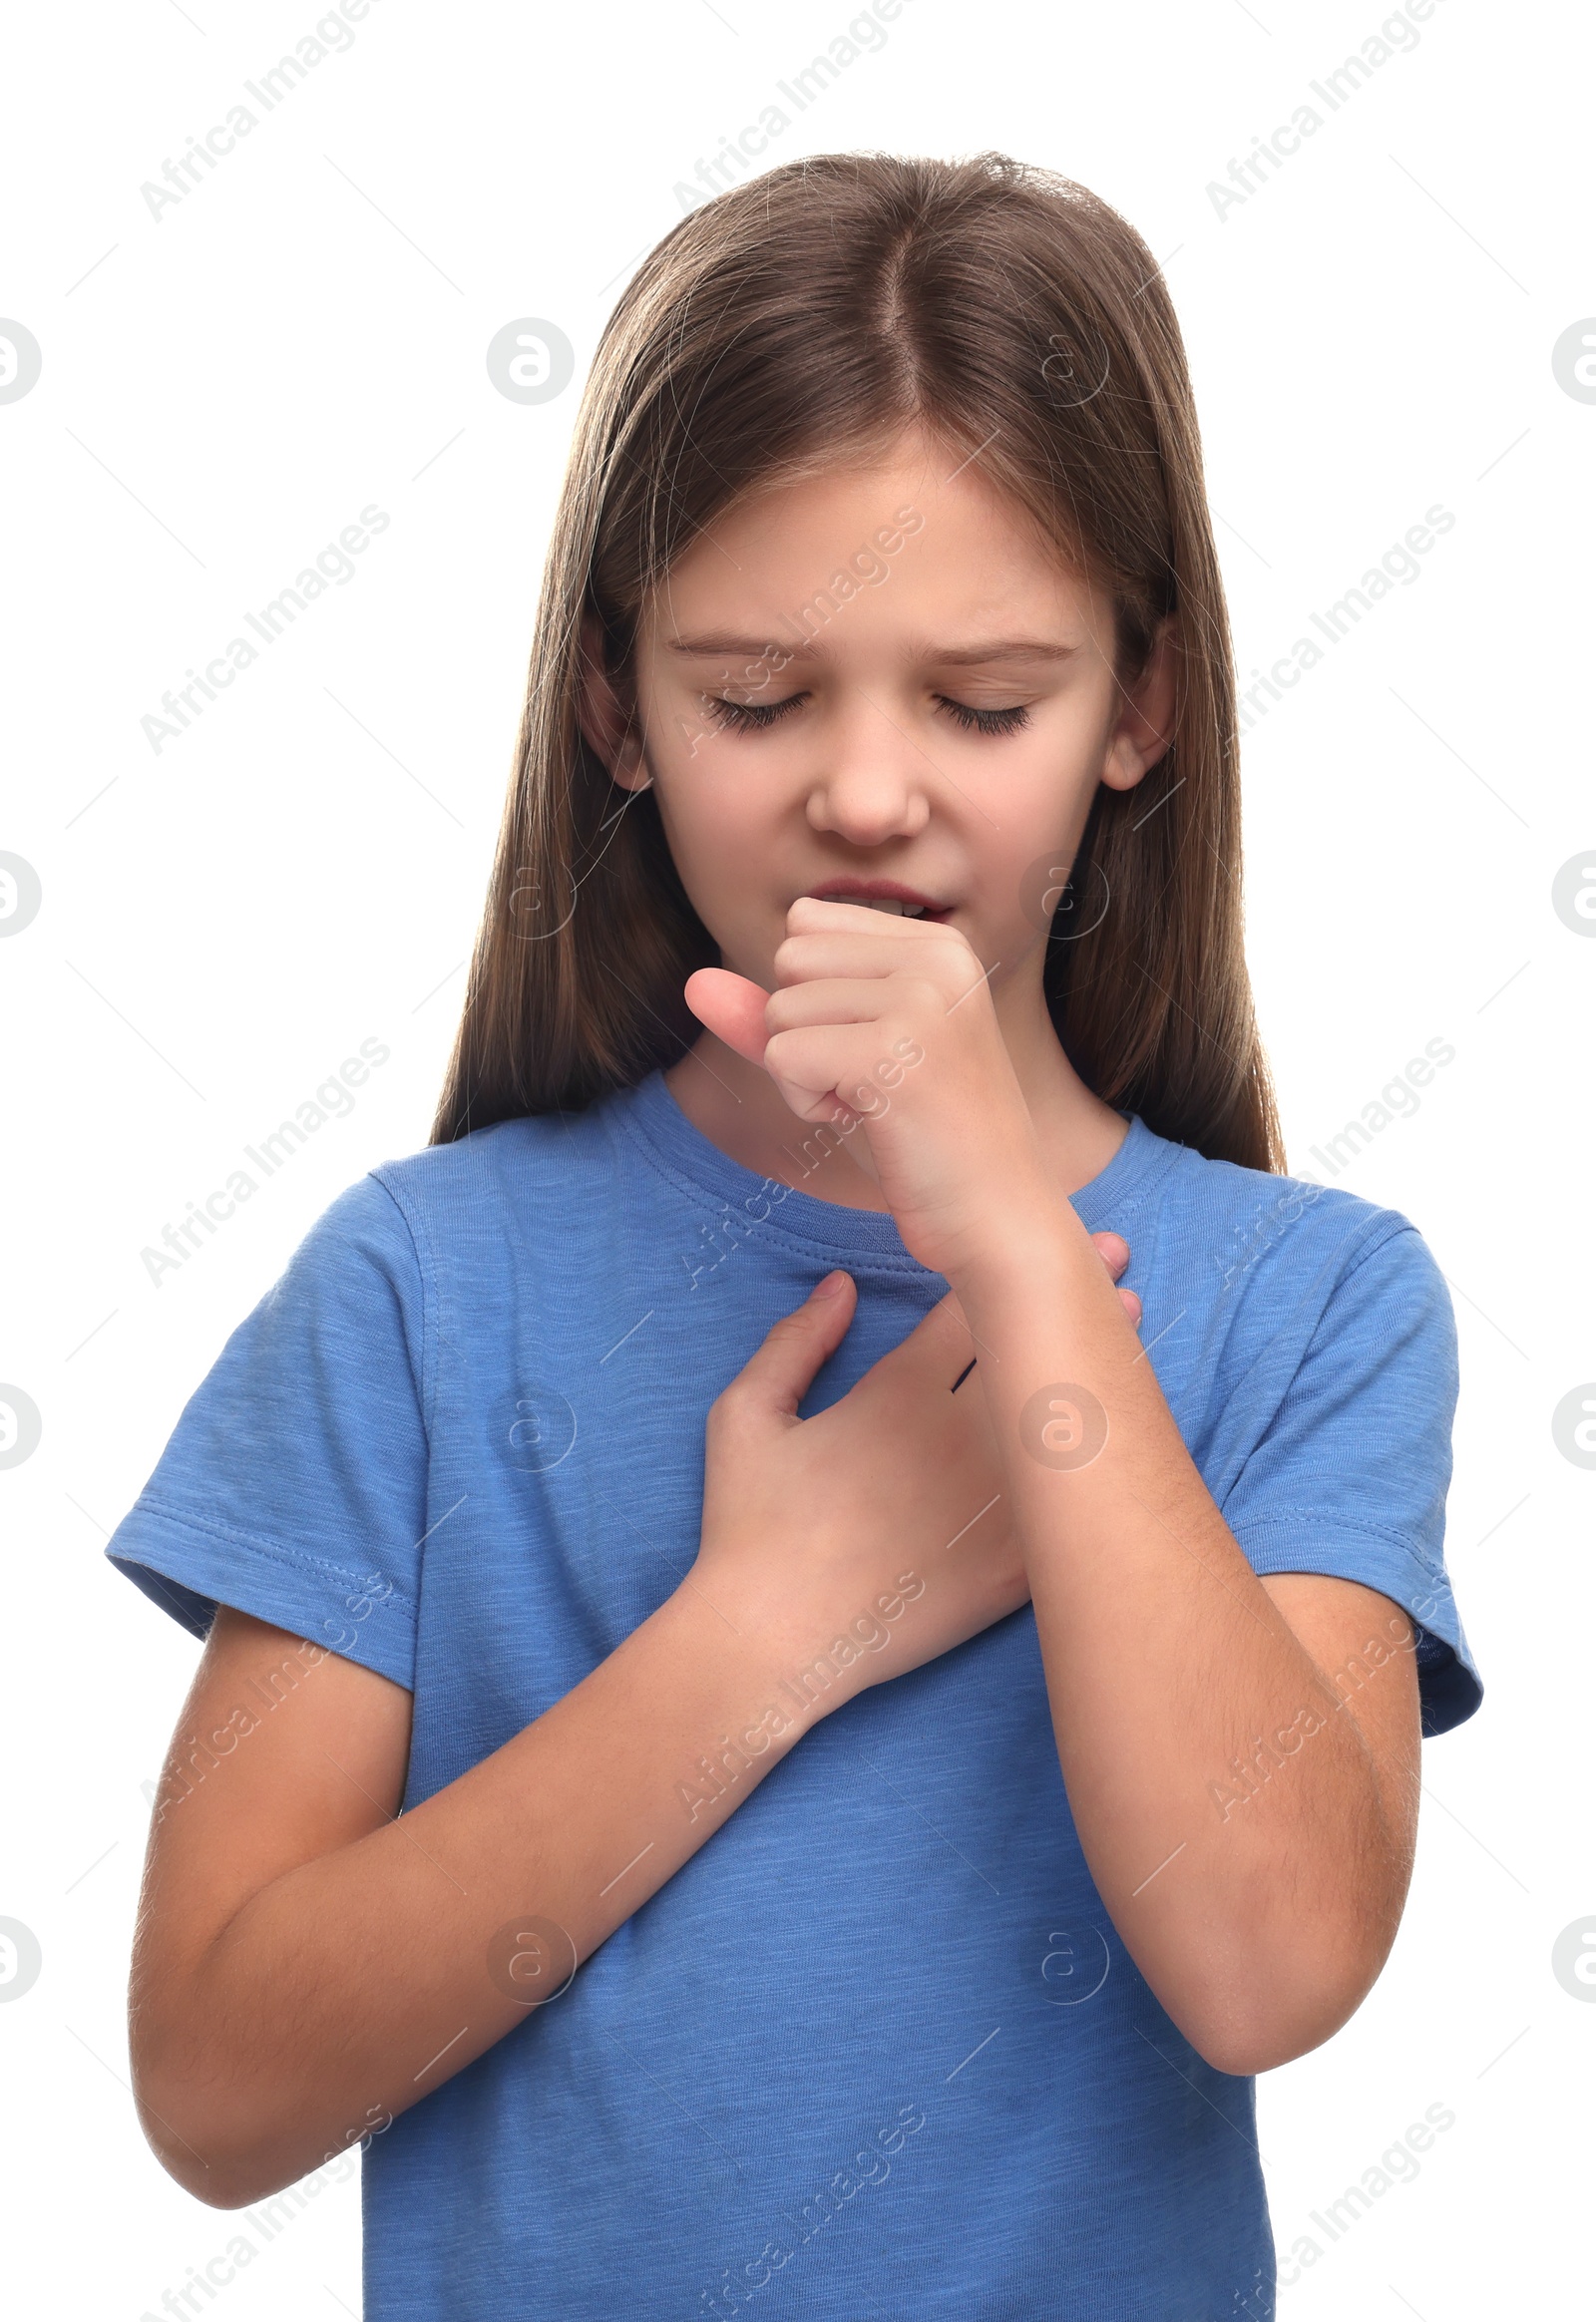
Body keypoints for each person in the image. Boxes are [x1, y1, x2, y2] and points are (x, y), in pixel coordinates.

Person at [107, 151, 1481, 2321]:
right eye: (755, 696)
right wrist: (772, 1628)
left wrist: (1022, 1267)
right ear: (610, 707)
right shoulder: (413, 1294)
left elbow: (1266, 1968)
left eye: (982, 701)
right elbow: (214, 2084)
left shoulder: (1306, 1309)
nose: (861, 792)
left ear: (1137, 710)